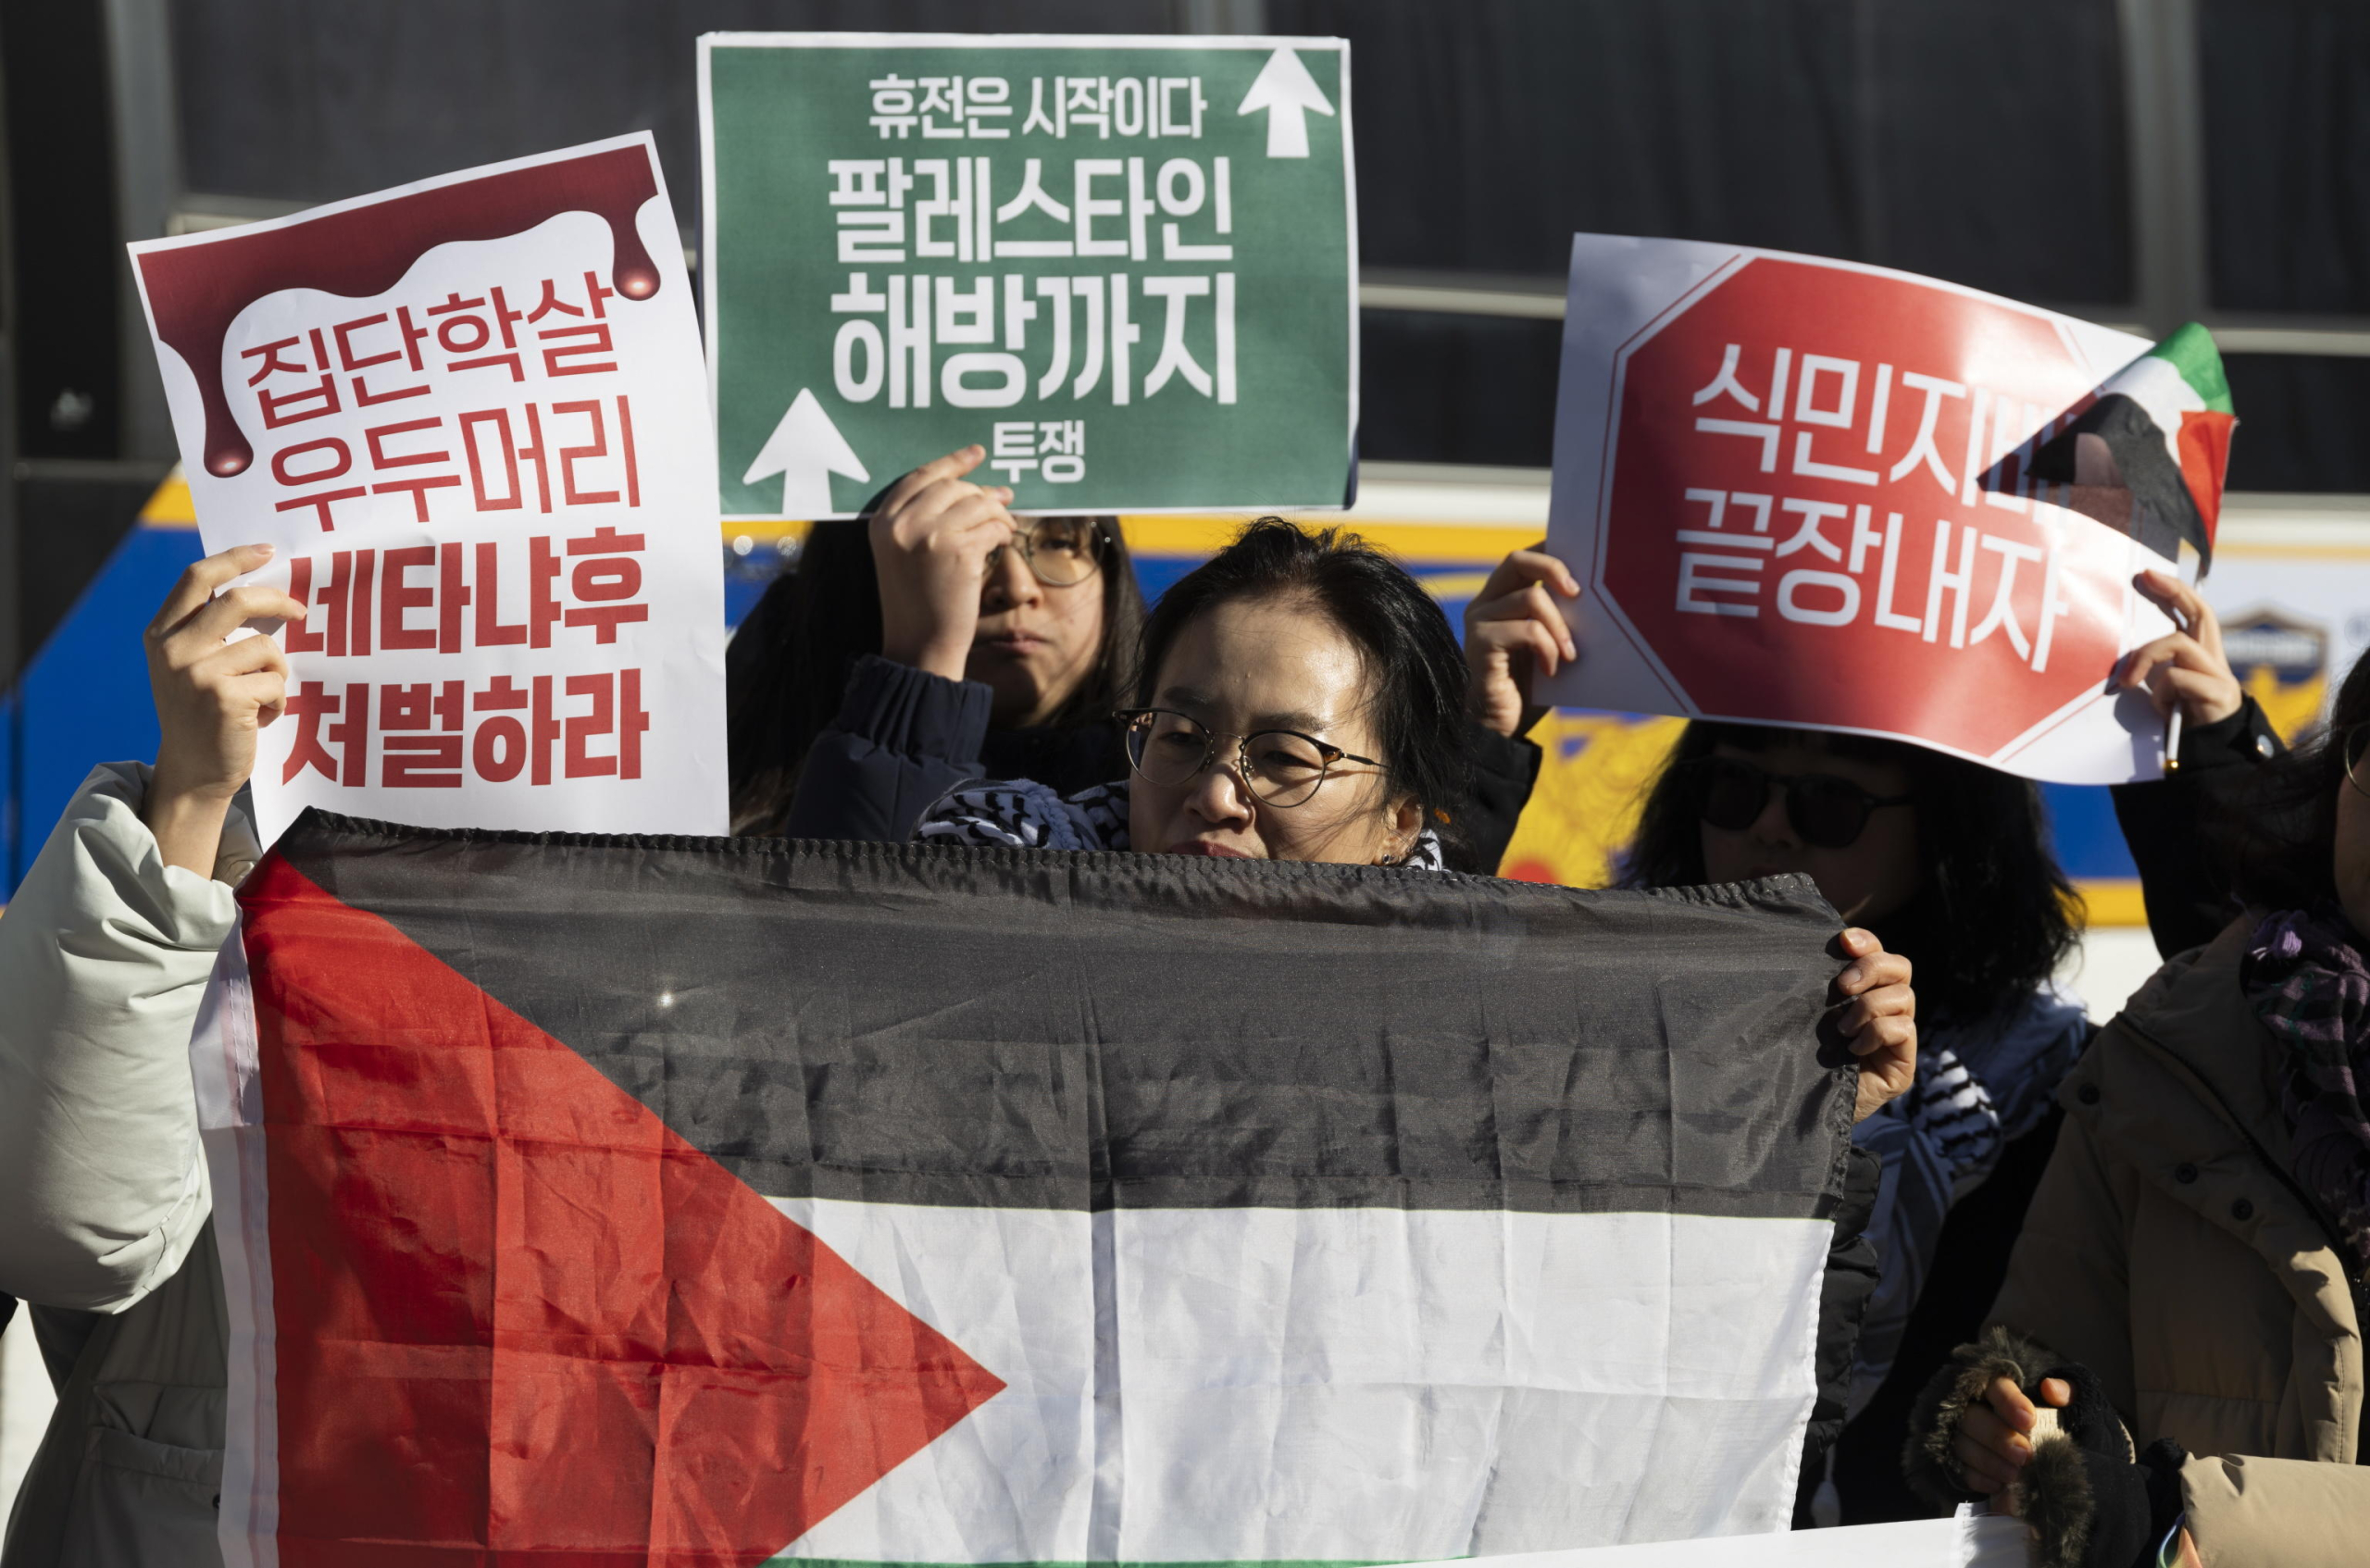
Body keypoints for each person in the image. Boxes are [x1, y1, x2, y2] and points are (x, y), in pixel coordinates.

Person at [1461, 546, 2270, 1525]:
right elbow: (1383, 1029)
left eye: (1827, 802)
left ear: (1947, 832)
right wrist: (1476, 749)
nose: (1766, 828)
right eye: (1732, 789)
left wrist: (2210, 762)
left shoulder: (2058, 1094)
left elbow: (2257, 1017)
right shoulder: (1598, 1029)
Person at [1909, 645, 2370, 1568]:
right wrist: (2003, 1422)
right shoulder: (2168, 1052)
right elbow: (2048, 1350)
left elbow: (2154, 1504)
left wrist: (2178, 1507)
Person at [729, 447, 1547, 873]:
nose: (1012, 584)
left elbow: (1397, 872)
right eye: (1183, 739)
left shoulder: (1397, 844)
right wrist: (917, 675)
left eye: (1060, 541)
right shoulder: (1069, 845)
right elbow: (853, 952)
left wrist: (1478, 745)